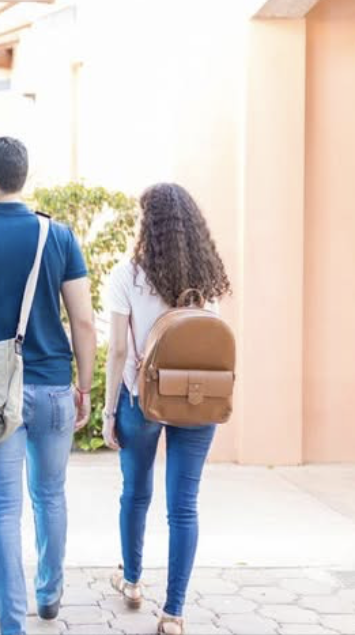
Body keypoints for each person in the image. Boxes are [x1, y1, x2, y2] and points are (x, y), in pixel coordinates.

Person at [0, 137, 97, 635]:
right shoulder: (58, 236)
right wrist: (85, 388)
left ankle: (12, 624)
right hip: (53, 387)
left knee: (2, 510)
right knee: (50, 494)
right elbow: (83, 322)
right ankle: (49, 594)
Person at [101, 182, 232, 635]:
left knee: (135, 493)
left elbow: (119, 350)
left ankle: (133, 582)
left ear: (148, 225)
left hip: (142, 399)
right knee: (184, 506)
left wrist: (108, 411)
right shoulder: (208, 279)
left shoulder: (128, 276)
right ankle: (173, 613)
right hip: (197, 397)